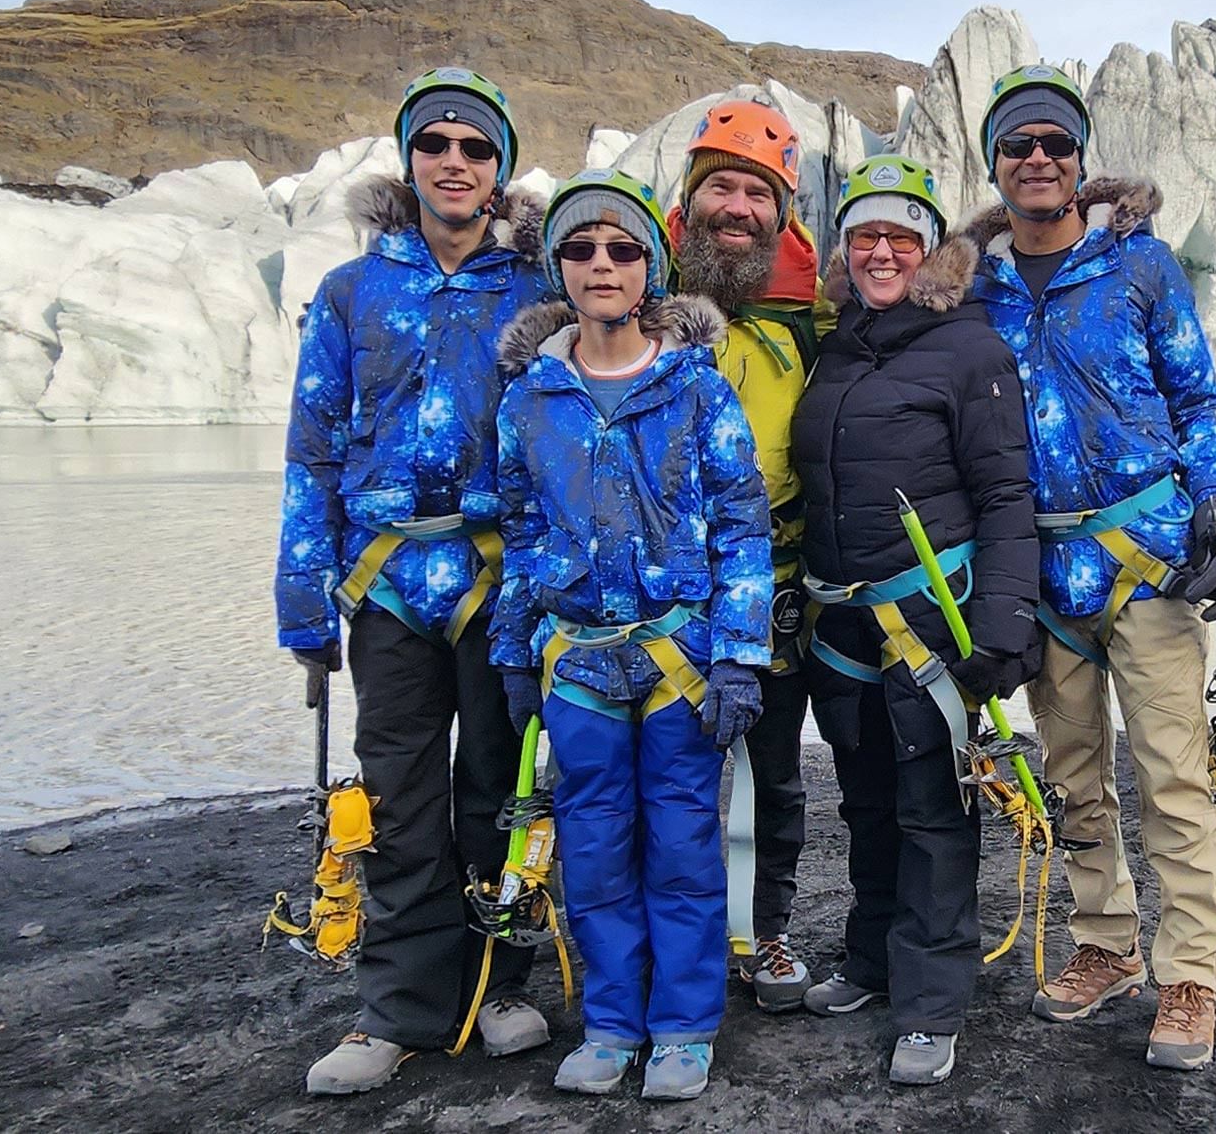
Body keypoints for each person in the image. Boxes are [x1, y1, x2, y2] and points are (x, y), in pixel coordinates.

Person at [962, 65, 1216, 1072]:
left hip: (1146, 560)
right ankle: (1106, 943)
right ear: (994, 164)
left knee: (1174, 775)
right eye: (1017, 145)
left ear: (1079, 159)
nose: (1037, 159)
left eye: (1055, 143)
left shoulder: (1138, 264)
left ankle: (1190, 971)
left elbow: (1193, 398)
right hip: (1041, 571)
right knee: (1073, 775)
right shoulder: (976, 290)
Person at [276, 67, 553, 1096]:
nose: (453, 160)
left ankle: (496, 984)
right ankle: (396, 1007)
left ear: (499, 169)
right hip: (387, 583)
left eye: (475, 147)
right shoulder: (353, 292)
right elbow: (311, 450)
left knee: (499, 787)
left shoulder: (534, 289)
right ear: (409, 158)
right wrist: (302, 596)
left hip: (496, 579)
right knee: (396, 795)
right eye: (434, 142)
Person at [490, 168, 773, 1100]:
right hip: (576, 663)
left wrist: (739, 654)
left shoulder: (698, 391)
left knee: (684, 846)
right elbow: (520, 531)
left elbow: (742, 527)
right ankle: (613, 1023)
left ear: (650, 267)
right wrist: (513, 651)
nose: (601, 263)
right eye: (580, 248)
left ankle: (684, 1024)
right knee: (594, 846)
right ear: (557, 267)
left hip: (676, 660)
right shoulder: (530, 400)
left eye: (621, 248)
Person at [789, 155, 1040, 1085]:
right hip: (844, 621)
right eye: (865, 236)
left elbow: (1005, 491)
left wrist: (1005, 621)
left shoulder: (970, 348)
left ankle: (932, 1003)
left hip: (929, 620)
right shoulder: (838, 345)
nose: (883, 252)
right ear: (845, 249)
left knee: (933, 805)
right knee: (866, 801)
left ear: (932, 248)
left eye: (902, 236)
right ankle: (872, 960)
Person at [665, 99, 835, 1010]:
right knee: (665, 776)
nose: (737, 208)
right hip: (658, 596)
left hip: (774, 589)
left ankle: (764, 929)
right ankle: (680, 937)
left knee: (773, 773)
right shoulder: (634, 297)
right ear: (689, 200)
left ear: (782, 212)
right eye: (720, 187)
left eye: (757, 194)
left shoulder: (810, 320)